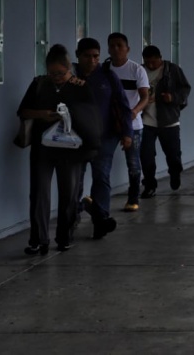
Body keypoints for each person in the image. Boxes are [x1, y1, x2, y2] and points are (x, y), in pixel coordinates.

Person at [18, 44, 95, 254]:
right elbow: (23, 111)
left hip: (71, 149)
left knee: (68, 194)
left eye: (61, 73)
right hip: (43, 147)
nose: (56, 77)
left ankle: (64, 237)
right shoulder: (39, 84)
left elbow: (91, 116)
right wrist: (42, 114)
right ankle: (38, 239)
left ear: (69, 68)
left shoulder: (80, 86)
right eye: (52, 73)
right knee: (39, 193)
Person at [73, 37, 132, 240]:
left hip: (105, 137)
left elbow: (123, 106)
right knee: (75, 181)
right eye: (87, 56)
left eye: (96, 56)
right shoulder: (70, 77)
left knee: (101, 177)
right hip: (76, 139)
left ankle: (101, 221)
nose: (92, 61)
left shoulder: (107, 76)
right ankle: (73, 220)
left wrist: (127, 133)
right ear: (77, 56)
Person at [140, 45, 192, 198]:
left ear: (160, 58)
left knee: (173, 155)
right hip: (146, 121)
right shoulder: (140, 71)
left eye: (153, 62)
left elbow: (185, 89)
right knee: (146, 155)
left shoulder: (172, 70)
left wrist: (172, 98)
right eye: (147, 62)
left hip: (169, 121)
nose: (150, 65)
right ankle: (149, 185)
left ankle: (175, 173)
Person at [106, 32, 150, 212]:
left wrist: (135, 111)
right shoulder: (105, 70)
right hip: (109, 124)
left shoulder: (137, 70)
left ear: (127, 49)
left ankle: (133, 197)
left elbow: (145, 96)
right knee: (103, 161)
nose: (116, 49)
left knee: (133, 162)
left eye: (119, 45)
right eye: (112, 46)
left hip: (133, 125)